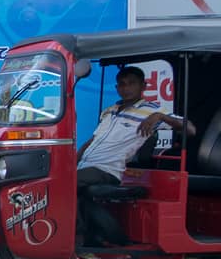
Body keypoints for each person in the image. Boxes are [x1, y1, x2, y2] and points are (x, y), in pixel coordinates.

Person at [76, 66, 192, 246]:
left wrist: (160, 116)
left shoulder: (150, 111)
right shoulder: (109, 111)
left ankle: (77, 235)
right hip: (85, 167)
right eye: (122, 84)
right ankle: (99, 240)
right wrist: (72, 162)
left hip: (107, 169)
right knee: (69, 188)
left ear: (143, 86)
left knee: (66, 184)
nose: (126, 88)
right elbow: (92, 140)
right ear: (116, 88)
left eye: (131, 83)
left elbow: (190, 129)